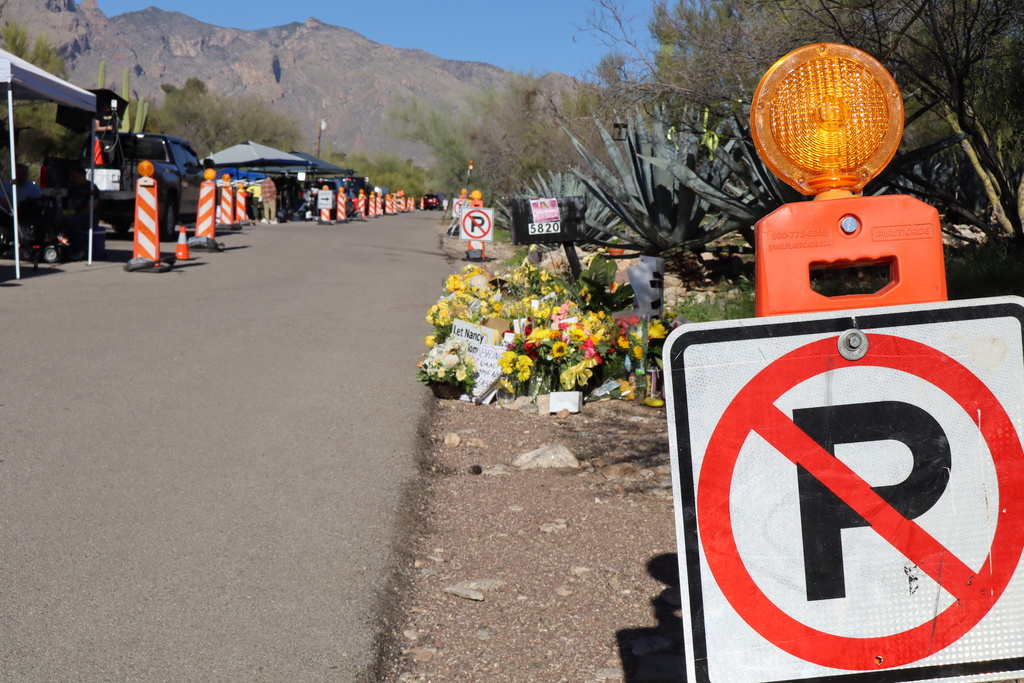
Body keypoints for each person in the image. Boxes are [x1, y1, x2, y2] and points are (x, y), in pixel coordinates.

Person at [63, 164, 99, 260]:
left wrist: (74, 214)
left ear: (82, 175)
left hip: (90, 217)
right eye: (71, 176)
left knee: (75, 221)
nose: (72, 179)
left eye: (74, 176)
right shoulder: (72, 188)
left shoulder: (91, 187)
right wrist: (67, 214)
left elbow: (90, 208)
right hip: (74, 215)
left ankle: (79, 250)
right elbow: (70, 205)